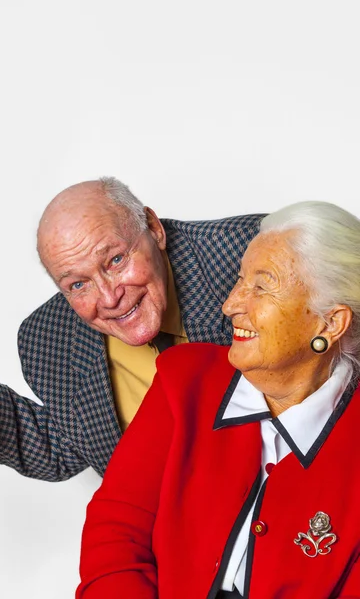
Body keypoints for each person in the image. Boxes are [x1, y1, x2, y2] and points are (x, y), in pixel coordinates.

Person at [76, 200, 360, 599]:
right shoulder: (184, 379)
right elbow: (115, 532)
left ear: (330, 322)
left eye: (261, 286)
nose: (231, 305)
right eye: (240, 279)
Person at [0, 177, 263, 478]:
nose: (109, 297)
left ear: (154, 229)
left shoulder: (256, 252)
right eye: (78, 284)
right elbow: (65, 446)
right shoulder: (49, 339)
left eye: (116, 260)